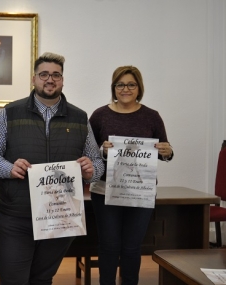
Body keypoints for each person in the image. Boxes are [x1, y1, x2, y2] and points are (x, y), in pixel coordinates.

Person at [0, 52, 104, 285]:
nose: (50, 79)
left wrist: (91, 171)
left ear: (62, 80)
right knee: (13, 279)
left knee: (42, 279)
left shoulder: (79, 118)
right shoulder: (11, 113)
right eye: (44, 74)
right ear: (34, 78)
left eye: (56, 75)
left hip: (60, 216)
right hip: (17, 216)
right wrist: (8, 168)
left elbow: (96, 162)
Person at [89, 65, 174, 285]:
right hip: (105, 191)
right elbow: (87, 151)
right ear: (113, 87)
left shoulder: (152, 116)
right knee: (108, 245)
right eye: (120, 84)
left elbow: (164, 149)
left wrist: (168, 151)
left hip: (140, 191)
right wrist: (101, 150)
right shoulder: (99, 115)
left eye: (131, 84)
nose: (125, 88)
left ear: (139, 88)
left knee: (132, 247)